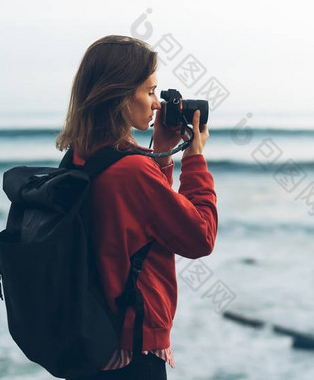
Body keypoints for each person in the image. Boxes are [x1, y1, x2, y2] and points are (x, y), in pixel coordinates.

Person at [56, 35, 218, 380]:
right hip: (133, 350)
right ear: (119, 95)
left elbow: (133, 222)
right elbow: (200, 236)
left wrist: (160, 149)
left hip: (94, 339)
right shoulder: (132, 170)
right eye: (149, 92)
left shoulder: (81, 157)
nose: (157, 103)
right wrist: (195, 159)